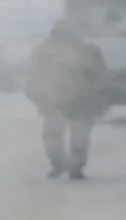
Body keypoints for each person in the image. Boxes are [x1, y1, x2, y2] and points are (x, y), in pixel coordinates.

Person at [24, 17, 111, 180]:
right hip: (54, 101)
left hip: (81, 101)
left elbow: (101, 77)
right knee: (54, 136)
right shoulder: (43, 52)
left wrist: (97, 94)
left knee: (77, 138)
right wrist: (37, 95)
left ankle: (75, 167)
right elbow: (32, 76)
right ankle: (61, 164)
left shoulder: (89, 52)